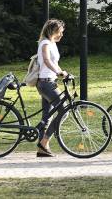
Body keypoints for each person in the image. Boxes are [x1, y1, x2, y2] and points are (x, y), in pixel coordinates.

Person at [35, 19, 68, 157]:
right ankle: (44, 142)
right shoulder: (45, 43)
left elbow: (54, 63)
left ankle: (42, 149)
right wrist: (58, 72)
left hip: (49, 82)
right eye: (60, 32)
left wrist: (63, 73)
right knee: (64, 111)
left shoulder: (52, 43)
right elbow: (47, 60)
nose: (61, 34)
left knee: (47, 117)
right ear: (52, 31)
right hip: (46, 83)